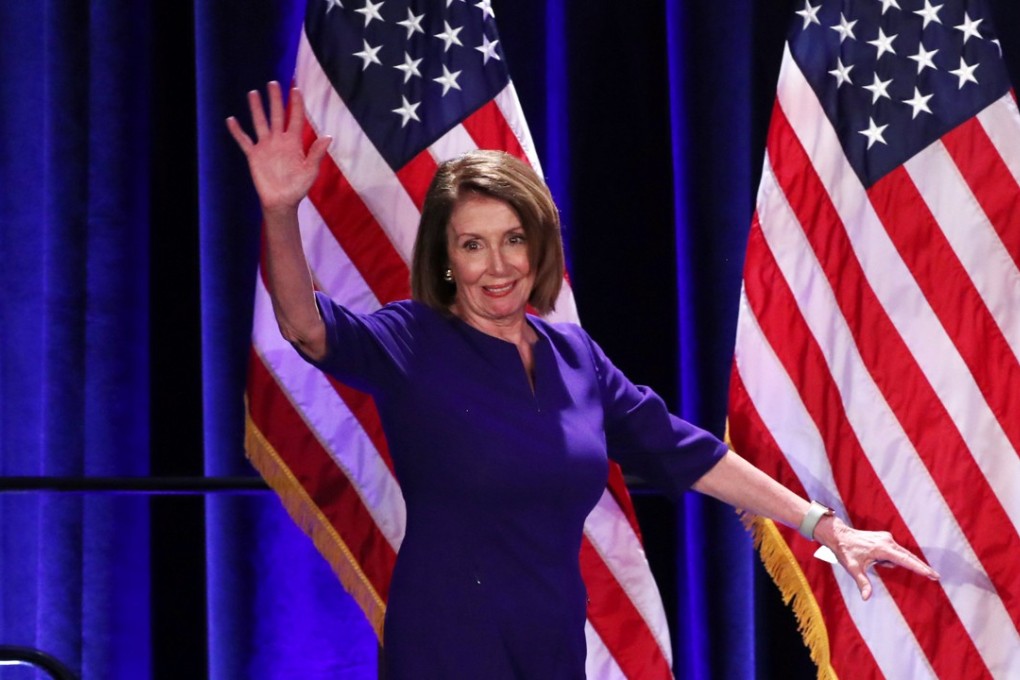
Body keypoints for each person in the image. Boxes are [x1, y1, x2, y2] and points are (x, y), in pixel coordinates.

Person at [227, 82, 939, 679]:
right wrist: (281, 211)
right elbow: (306, 327)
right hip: (447, 650)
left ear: (539, 248)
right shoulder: (413, 340)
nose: (497, 264)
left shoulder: (574, 357)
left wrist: (822, 524)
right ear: (446, 260)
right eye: (473, 245)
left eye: (513, 240)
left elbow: (687, 452)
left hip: (553, 646)